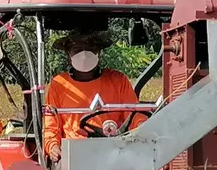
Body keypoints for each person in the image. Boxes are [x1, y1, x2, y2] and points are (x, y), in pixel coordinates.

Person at [42, 30, 148, 163]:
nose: (84, 55)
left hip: (114, 150)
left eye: (90, 49)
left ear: (99, 53)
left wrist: (143, 129)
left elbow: (134, 116)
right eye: (77, 50)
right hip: (73, 154)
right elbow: (50, 123)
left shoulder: (118, 80)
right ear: (68, 55)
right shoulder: (59, 84)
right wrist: (52, 146)